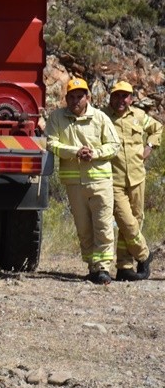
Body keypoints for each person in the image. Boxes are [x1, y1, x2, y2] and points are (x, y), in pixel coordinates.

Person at [47, 77, 121, 285]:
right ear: (66, 98)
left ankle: (104, 268)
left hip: (100, 181)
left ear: (87, 97)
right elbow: (51, 143)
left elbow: (114, 145)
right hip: (74, 184)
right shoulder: (57, 117)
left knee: (103, 224)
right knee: (84, 227)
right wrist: (74, 152)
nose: (75, 100)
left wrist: (95, 153)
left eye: (80, 96)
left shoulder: (100, 117)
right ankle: (92, 267)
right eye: (71, 97)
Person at [103, 80, 161, 281]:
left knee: (136, 220)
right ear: (110, 97)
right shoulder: (103, 117)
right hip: (114, 179)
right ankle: (144, 254)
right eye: (117, 95)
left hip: (137, 177)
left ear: (131, 98)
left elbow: (158, 128)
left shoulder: (139, 116)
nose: (121, 100)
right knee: (126, 222)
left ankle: (125, 267)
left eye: (125, 96)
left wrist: (150, 146)